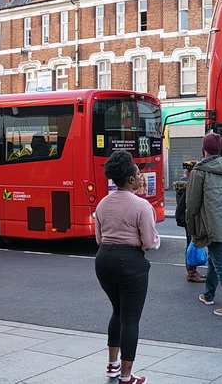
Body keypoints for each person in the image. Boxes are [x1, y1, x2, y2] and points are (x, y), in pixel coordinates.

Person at [94, 150, 160, 384]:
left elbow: (99, 238)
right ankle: (126, 375)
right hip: (130, 261)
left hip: (103, 259)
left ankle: (112, 365)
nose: (141, 177)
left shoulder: (102, 203)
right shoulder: (141, 205)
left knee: (117, 311)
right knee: (130, 319)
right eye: (138, 173)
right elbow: (150, 242)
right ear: (130, 179)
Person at [186, 132, 222, 317]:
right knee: (215, 257)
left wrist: (192, 231)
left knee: (220, 262)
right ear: (220, 149)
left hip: (208, 224)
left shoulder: (198, 171)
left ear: (204, 148)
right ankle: (208, 294)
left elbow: (192, 205)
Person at [174, 161, 205, 283]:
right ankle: (191, 273)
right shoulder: (189, 185)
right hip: (189, 219)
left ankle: (192, 271)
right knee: (190, 244)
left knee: (190, 243)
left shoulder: (183, 182)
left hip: (186, 218)